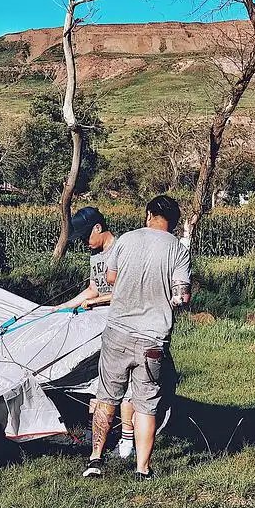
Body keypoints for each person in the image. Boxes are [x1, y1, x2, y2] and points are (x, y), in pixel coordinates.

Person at [82, 195, 191, 481]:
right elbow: (181, 297)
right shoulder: (177, 250)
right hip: (153, 339)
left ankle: (95, 460)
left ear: (148, 215)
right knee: (146, 403)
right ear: (174, 222)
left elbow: (112, 278)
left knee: (107, 396)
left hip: (117, 331)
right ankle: (142, 469)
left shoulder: (126, 240)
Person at [62, 207, 137, 459]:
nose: (84, 243)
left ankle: (127, 436)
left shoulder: (123, 250)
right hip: (98, 323)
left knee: (122, 380)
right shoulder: (95, 255)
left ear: (98, 228)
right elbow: (92, 289)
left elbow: (127, 292)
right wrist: (62, 307)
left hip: (123, 322)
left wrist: (96, 302)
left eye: (85, 237)